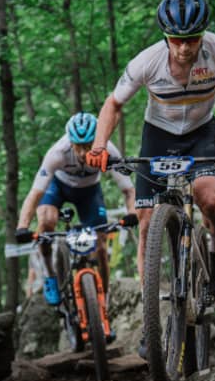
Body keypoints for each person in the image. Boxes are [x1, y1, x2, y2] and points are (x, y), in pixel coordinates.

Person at [86, 0, 215, 304]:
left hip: (201, 134)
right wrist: (98, 146)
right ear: (166, 37)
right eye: (176, 40)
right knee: (145, 220)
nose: (184, 47)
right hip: (158, 135)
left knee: (210, 200)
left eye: (192, 39)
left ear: (203, 35)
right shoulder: (147, 61)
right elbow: (113, 104)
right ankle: (150, 318)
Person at [15, 112, 136, 306]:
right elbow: (35, 194)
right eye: (78, 146)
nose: (82, 152)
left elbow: (129, 190)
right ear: (70, 142)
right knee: (46, 222)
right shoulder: (57, 153)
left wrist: (132, 214)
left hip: (89, 192)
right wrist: (22, 226)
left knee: (101, 246)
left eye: (88, 146)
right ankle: (50, 275)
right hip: (58, 187)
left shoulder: (108, 150)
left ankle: (103, 302)